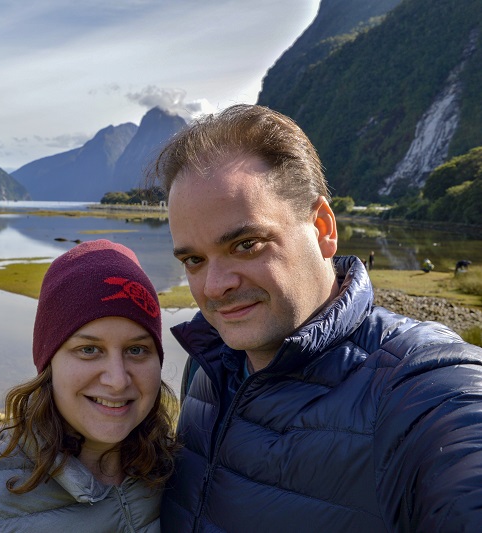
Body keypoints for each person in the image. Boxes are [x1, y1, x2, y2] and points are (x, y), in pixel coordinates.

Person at [152, 104, 482, 531]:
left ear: (323, 228)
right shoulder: (208, 366)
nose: (214, 287)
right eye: (194, 259)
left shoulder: (422, 389)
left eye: (247, 244)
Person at [0, 239, 178, 532]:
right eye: (89, 349)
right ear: (48, 363)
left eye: (136, 350)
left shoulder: (173, 466)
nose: (117, 380)